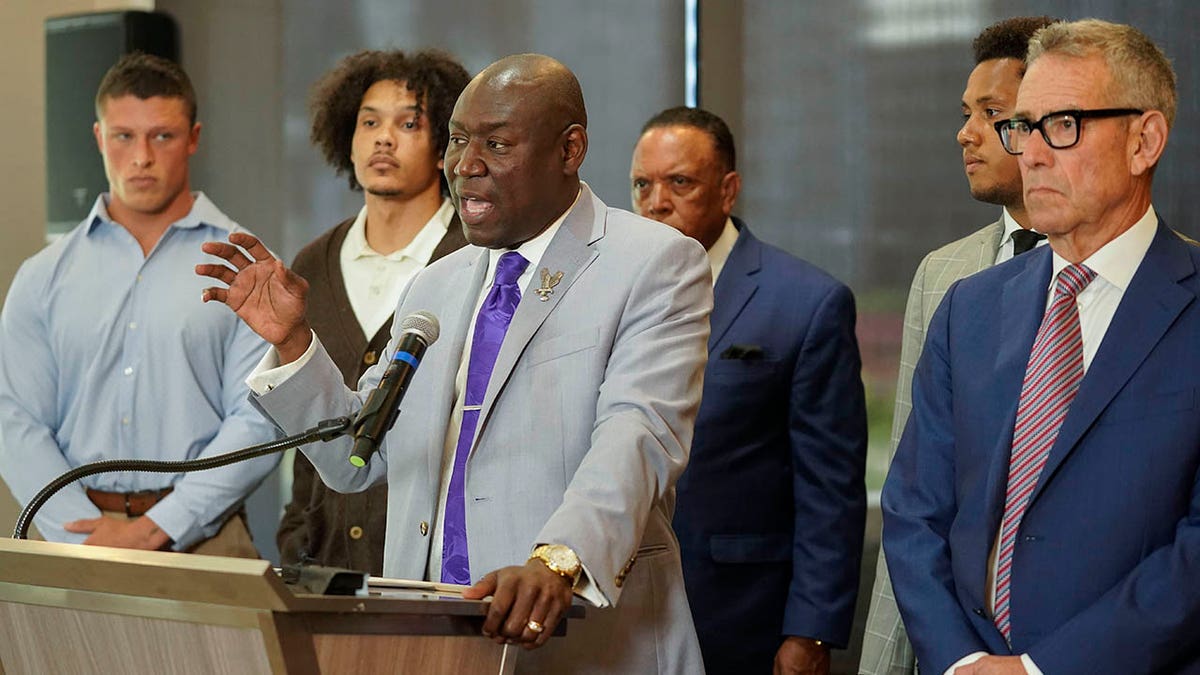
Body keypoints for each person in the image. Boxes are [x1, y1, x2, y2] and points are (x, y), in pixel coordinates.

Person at [198, 53, 709, 672]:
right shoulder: (436, 284)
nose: (466, 165)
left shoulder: (654, 262)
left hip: (582, 638)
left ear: (569, 149)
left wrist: (558, 559)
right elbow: (357, 458)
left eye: (496, 144)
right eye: (458, 141)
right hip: (434, 636)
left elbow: (639, 432)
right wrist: (293, 343)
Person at [882, 19, 1200, 674]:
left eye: (1063, 125)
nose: (1030, 154)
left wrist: (1038, 669)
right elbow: (915, 511)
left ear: (1144, 141)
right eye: (1024, 126)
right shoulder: (968, 306)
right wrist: (960, 659)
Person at [0, 53, 277, 556]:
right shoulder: (42, 276)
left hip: (205, 536)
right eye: (124, 136)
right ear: (100, 138)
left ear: (192, 138)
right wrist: (79, 528)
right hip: (76, 539)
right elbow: (13, 418)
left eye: (162, 136)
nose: (142, 156)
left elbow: (261, 416)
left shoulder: (246, 266)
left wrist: (159, 527)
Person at [630, 106, 867, 674]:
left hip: (742, 611)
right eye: (642, 184)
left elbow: (829, 490)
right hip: (621, 610)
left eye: (679, 182)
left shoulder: (806, 303)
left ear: (727, 189)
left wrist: (811, 630)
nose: (656, 201)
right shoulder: (611, 296)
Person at [859, 16, 1056, 675]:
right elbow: (912, 490)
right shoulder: (943, 274)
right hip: (951, 642)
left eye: (990, 113)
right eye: (966, 113)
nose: (965, 133)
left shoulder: (1127, 278)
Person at [275, 49, 469, 575]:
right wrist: (296, 531)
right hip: (324, 554)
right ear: (347, 137)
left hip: (432, 562)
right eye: (369, 122)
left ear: (445, 147)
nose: (385, 138)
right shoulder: (313, 263)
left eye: (409, 123)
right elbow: (305, 422)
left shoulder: (474, 261)